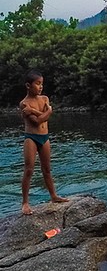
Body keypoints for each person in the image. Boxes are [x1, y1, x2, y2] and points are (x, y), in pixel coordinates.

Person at [19, 70, 68, 215]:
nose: (40, 87)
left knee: (47, 169)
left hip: (44, 137)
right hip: (31, 137)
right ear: (28, 85)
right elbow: (37, 121)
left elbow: (45, 118)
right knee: (29, 170)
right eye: (37, 84)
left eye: (42, 84)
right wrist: (48, 112)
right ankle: (25, 203)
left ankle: (53, 196)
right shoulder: (24, 103)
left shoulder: (45, 99)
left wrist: (35, 111)